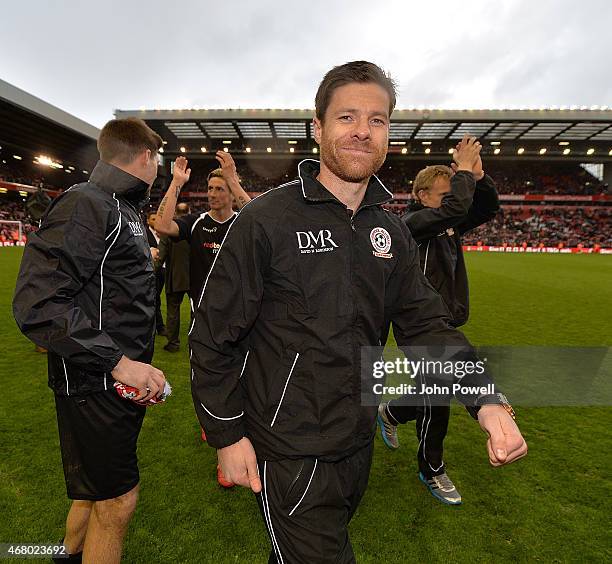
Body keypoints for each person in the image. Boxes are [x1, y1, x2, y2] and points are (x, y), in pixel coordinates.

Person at [188, 61, 527, 563]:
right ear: (318, 128)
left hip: (356, 437)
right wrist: (226, 434)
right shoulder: (266, 221)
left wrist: (486, 400)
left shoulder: (390, 233)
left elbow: (426, 326)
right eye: (347, 117)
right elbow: (213, 337)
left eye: (378, 120)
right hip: (290, 446)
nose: (363, 132)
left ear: (389, 133)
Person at [13, 117, 167, 564]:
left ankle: (67, 556)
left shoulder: (124, 209)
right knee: (118, 500)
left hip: (116, 384)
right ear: (145, 157)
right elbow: (37, 303)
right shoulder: (87, 203)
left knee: (95, 492)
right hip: (96, 382)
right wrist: (119, 362)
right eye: (156, 159)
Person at [377, 150, 500, 505]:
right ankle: (432, 469)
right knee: (437, 400)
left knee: (435, 392)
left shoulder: (447, 221)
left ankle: (391, 412)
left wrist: (478, 177)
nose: (452, 200)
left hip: (444, 324)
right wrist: (461, 172)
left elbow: (485, 208)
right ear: (421, 196)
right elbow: (457, 208)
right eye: (444, 195)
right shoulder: (410, 224)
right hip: (419, 328)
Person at [154, 150, 251, 485]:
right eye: (209, 189)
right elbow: (162, 224)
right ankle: (222, 452)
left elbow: (259, 217)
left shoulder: (243, 223)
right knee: (208, 380)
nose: (212, 194)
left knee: (243, 380)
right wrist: (175, 185)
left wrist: (234, 180)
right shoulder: (196, 223)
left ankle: (233, 435)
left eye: (218, 189)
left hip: (242, 317)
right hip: (204, 317)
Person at [157, 203, 191, 352]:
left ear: (176, 212)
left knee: (172, 312)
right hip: (195, 277)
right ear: (189, 211)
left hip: (175, 277)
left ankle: (173, 343)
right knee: (197, 312)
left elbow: (160, 256)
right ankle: (196, 342)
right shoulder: (196, 226)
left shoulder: (169, 229)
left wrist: (150, 272)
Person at [146, 212, 166, 336]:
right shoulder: (144, 233)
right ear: (148, 221)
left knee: (156, 298)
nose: (155, 221)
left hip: (164, 271)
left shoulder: (163, 233)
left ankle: (157, 326)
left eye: (157, 219)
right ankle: (159, 327)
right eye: (153, 219)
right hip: (151, 271)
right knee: (154, 299)